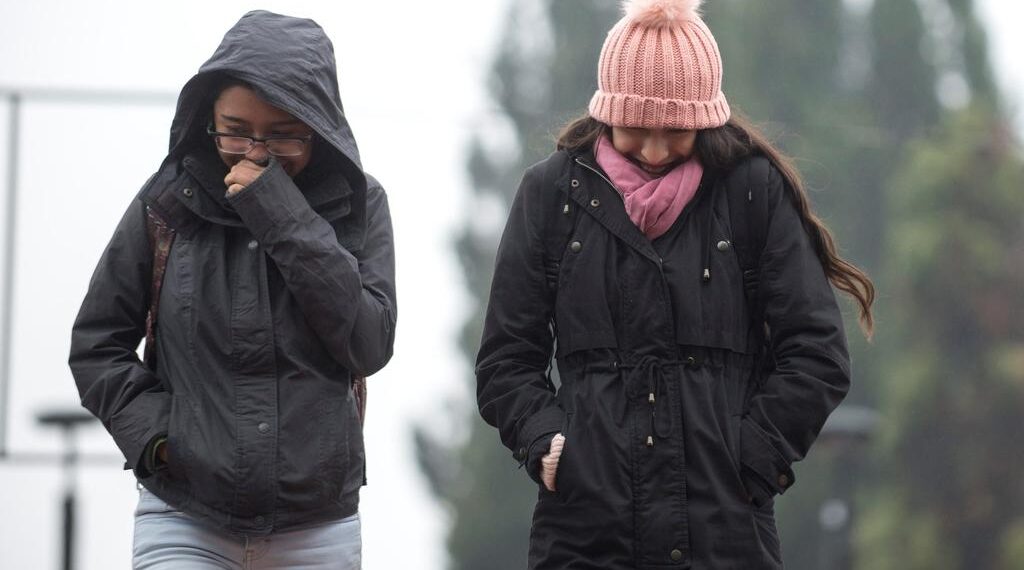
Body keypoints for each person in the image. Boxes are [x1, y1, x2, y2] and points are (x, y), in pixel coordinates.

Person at [475, 0, 875, 567]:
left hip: (725, 535)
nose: (657, 151)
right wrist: (545, 443)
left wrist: (754, 459)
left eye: (677, 131)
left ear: (706, 119)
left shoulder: (752, 192)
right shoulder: (550, 195)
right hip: (587, 535)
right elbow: (506, 360)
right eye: (637, 129)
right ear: (607, 111)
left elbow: (816, 353)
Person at [68, 11, 395, 569]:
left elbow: (368, 343)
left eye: (282, 136)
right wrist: (160, 441)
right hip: (184, 517)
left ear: (317, 126)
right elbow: (96, 346)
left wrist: (282, 214)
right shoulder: (165, 203)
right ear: (206, 117)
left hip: (317, 527)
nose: (254, 152)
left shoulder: (359, 204)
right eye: (235, 129)